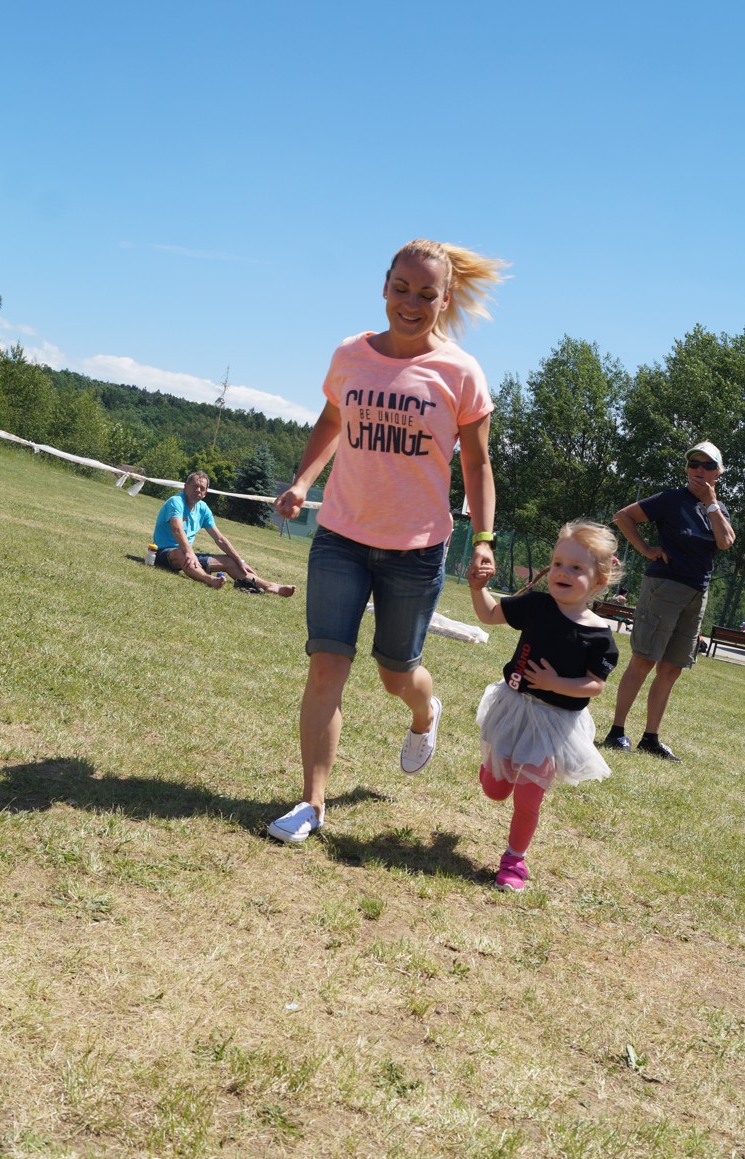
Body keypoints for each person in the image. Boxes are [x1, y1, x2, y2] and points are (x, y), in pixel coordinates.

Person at [267, 238, 507, 844]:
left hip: (416, 549)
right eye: (401, 288)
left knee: (396, 674)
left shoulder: (461, 372)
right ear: (384, 287)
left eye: (426, 294)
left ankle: (425, 711)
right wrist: (302, 481)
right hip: (341, 537)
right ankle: (312, 803)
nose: (411, 303)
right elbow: (331, 420)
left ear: (444, 300)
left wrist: (484, 538)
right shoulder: (351, 354)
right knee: (327, 668)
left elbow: (477, 463)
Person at [469, 520, 620, 891]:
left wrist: (556, 684)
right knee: (495, 791)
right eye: (557, 564)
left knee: (528, 797)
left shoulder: (599, 635)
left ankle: (514, 861)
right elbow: (489, 615)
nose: (562, 572)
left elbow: (596, 685)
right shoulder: (536, 605)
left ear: (599, 581)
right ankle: (491, 770)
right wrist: (478, 588)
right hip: (514, 707)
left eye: (575, 567)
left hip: (555, 724)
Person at [603, 441, 735, 761]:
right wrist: (647, 549)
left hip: (697, 593)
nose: (699, 470)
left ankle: (650, 738)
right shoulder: (671, 499)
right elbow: (623, 517)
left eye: (707, 465)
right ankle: (616, 732)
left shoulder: (718, 509)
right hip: (664, 587)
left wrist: (711, 503)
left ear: (718, 473)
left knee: (672, 668)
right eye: (693, 464)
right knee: (644, 660)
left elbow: (726, 541)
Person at [153, 471, 295, 595]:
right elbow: (177, 530)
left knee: (229, 561)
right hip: (162, 553)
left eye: (202, 488)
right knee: (182, 553)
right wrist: (190, 552)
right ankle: (210, 580)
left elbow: (219, 539)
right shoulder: (176, 502)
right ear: (185, 486)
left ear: (205, 493)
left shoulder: (203, 508)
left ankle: (270, 586)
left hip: (188, 555)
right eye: (194, 486)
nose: (198, 490)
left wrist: (240, 561)